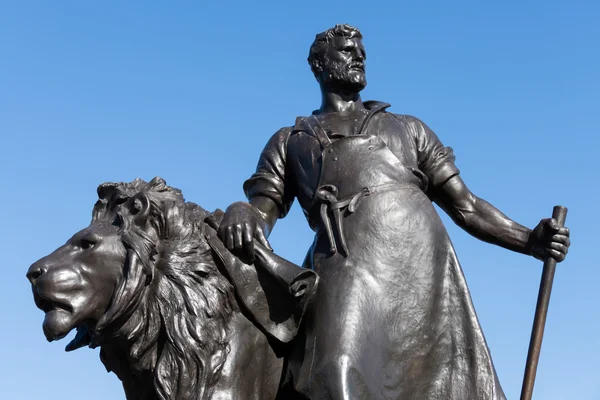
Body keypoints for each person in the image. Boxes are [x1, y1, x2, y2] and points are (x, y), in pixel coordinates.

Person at [218, 24, 570, 400]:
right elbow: (263, 209)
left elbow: (466, 206)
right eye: (347, 50)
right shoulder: (291, 141)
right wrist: (243, 210)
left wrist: (529, 239)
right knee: (333, 370)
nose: (360, 56)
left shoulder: (407, 129)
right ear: (318, 65)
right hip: (345, 266)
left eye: (362, 51)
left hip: (421, 275)